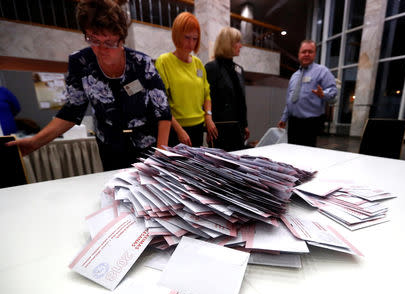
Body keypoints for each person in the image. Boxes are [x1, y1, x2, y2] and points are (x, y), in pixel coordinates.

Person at [8, 0, 171, 171]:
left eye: (109, 42)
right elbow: (72, 110)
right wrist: (36, 142)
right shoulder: (80, 62)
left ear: (121, 37)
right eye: (93, 39)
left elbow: (163, 110)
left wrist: (159, 154)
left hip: (147, 146)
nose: (101, 49)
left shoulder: (141, 63)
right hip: (110, 147)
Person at [155, 12, 214, 147]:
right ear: (177, 35)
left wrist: (208, 117)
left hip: (198, 127)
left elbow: (207, 94)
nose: (191, 43)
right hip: (175, 128)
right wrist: (179, 130)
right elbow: (161, 103)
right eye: (187, 37)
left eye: (195, 38)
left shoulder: (198, 64)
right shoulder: (164, 62)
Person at [278, 40, 337, 147]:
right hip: (294, 123)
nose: (306, 54)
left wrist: (323, 94)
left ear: (314, 54)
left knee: (307, 156)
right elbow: (290, 100)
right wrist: (284, 118)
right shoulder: (294, 76)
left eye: (310, 52)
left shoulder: (322, 71)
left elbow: (333, 90)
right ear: (299, 54)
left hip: (311, 123)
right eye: (304, 51)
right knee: (292, 152)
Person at [204, 27, 249, 151]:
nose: (241, 45)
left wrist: (245, 124)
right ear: (228, 43)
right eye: (237, 42)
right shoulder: (211, 68)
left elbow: (241, 100)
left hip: (238, 128)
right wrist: (207, 125)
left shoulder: (239, 69)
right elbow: (207, 99)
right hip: (219, 129)